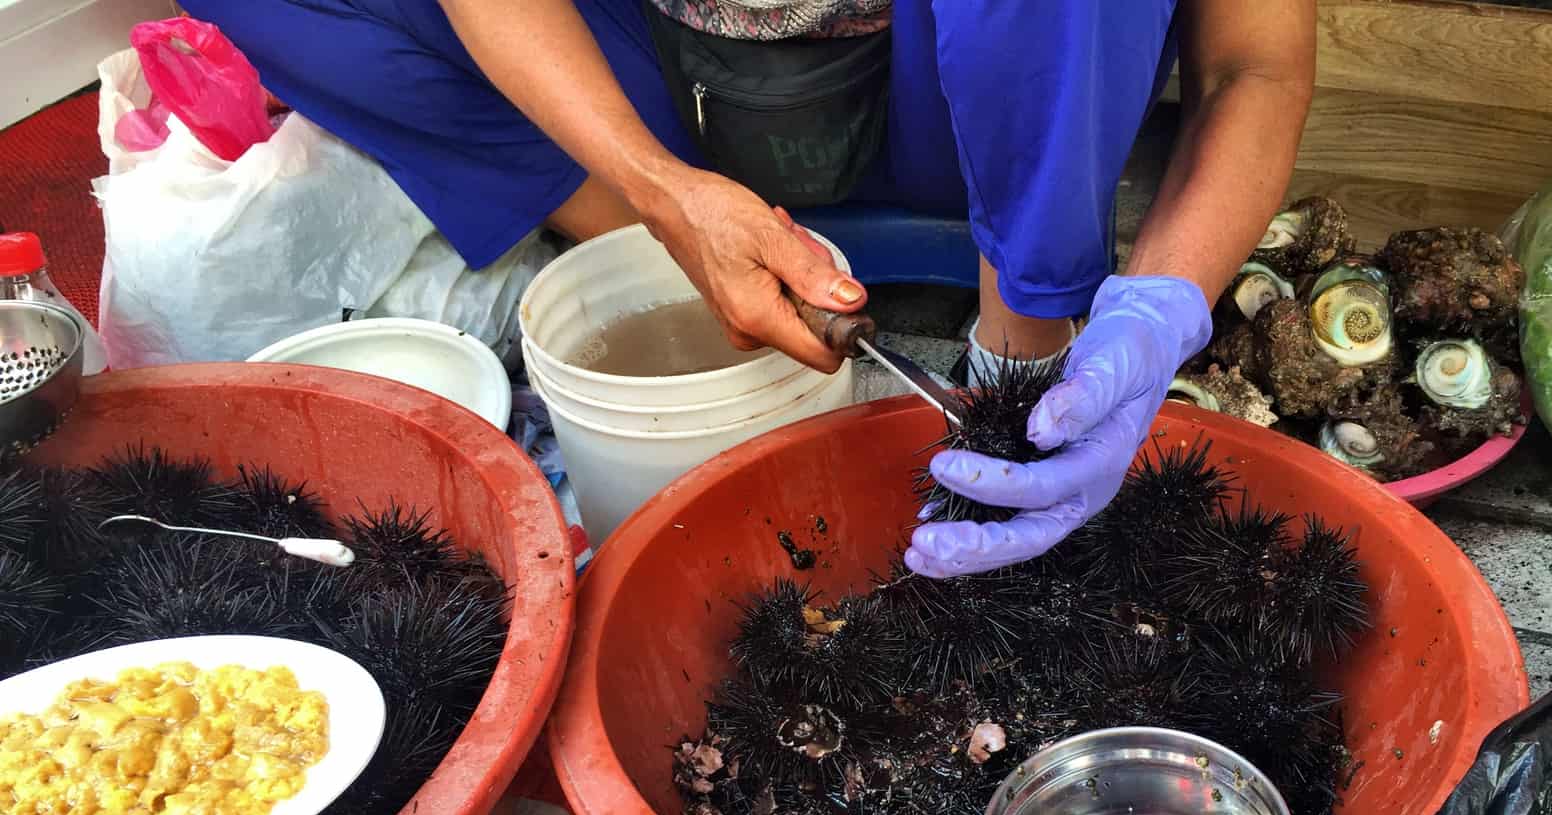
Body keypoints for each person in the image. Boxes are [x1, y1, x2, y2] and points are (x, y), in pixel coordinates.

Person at [182, 0, 1316, 578]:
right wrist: (659, 189)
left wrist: (1163, 299)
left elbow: (1251, 60)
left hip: (943, 90)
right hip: (657, 80)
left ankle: (1017, 350)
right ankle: (659, 243)